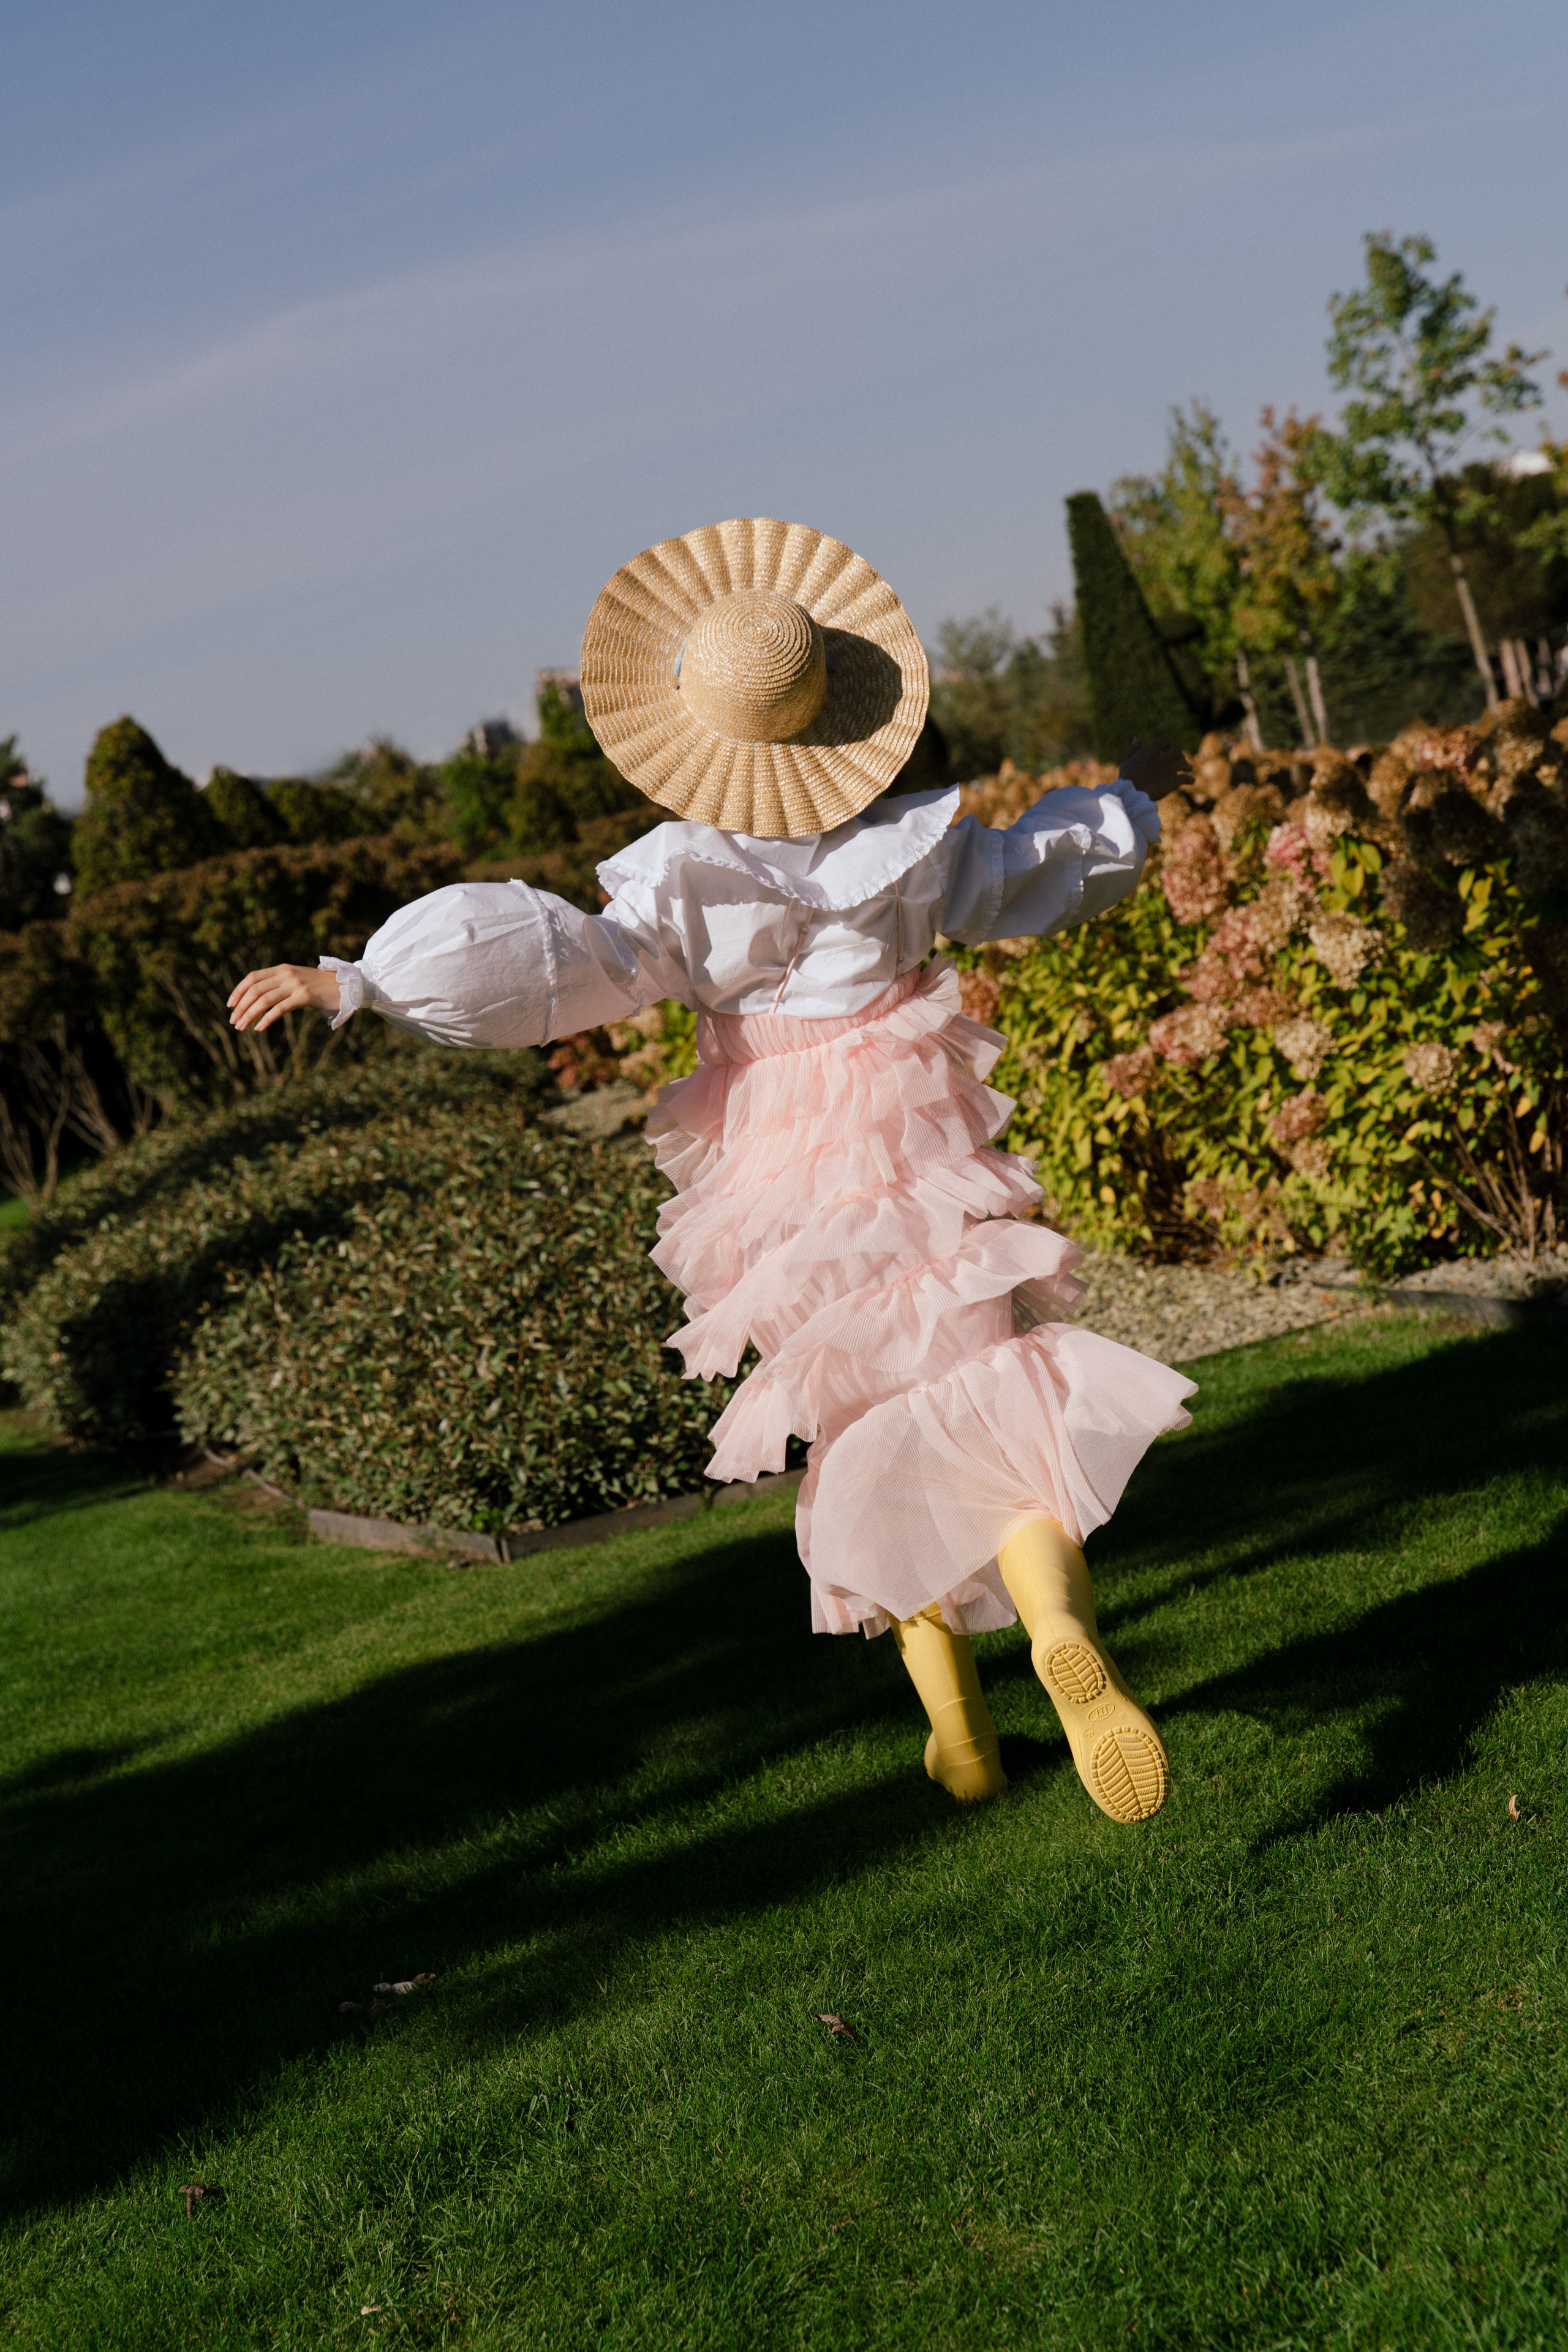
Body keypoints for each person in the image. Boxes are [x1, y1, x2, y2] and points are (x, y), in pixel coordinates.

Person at [230, 518, 1196, 1823]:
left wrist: (357, 979)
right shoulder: (912, 849)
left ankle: (959, 1734)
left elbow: (558, 967)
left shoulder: (682, 881)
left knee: (860, 1420)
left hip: (775, 1154)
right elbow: (1042, 867)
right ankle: (1053, 1627)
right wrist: (1136, 789)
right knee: (982, 1374)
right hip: (910, 1114)